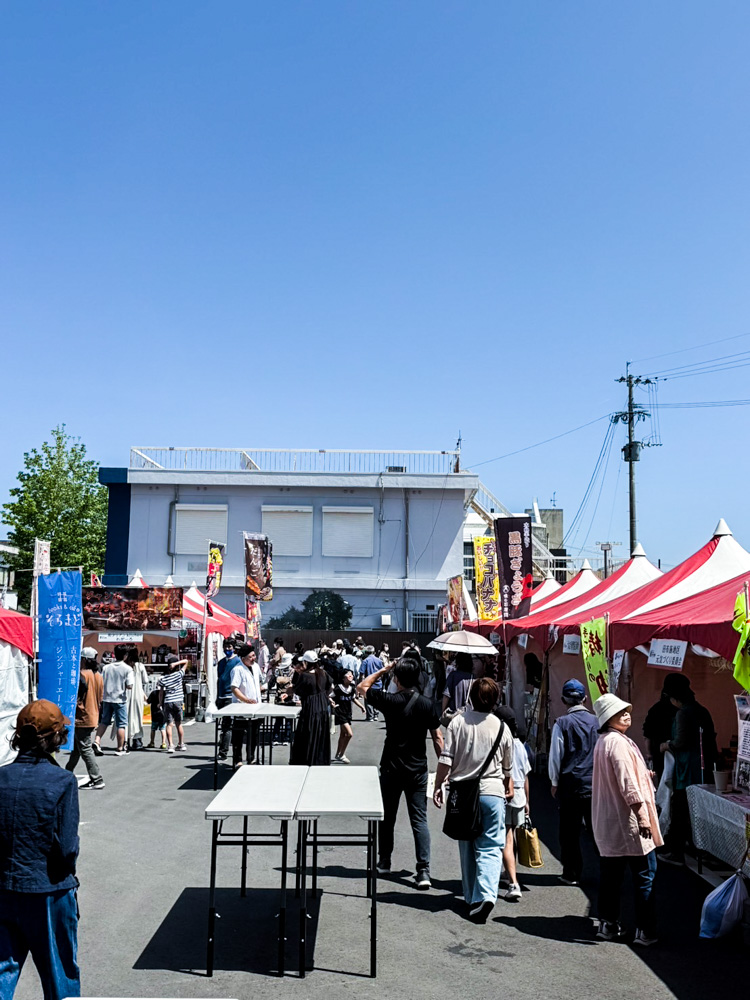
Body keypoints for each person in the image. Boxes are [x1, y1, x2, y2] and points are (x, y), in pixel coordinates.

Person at [0, 700, 81, 999]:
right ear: (56, 737)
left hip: (4, 887)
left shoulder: (1, 777)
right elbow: (68, 848)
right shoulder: (62, 781)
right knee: (59, 975)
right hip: (48, 890)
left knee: (2, 971)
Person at [358, 657, 443, 890]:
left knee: (388, 817)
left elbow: (361, 687)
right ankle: (423, 870)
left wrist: (382, 670)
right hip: (417, 769)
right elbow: (437, 738)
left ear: (396, 679)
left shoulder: (390, 700)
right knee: (419, 820)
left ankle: (384, 861)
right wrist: (446, 769)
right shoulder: (427, 704)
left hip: (391, 767)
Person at [433, 678, 513, 922]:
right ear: (495, 699)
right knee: (490, 846)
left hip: (463, 792)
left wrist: (438, 785)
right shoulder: (501, 726)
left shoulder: (459, 723)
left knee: (466, 843)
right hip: (492, 792)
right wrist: (508, 782)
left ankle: (472, 897)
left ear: (471, 697)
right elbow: (508, 766)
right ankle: (487, 894)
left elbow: (446, 759)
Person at [592, 693, 662, 946]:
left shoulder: (604, 741)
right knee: (645, 876)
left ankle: (608, 924)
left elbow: (623, 777)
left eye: (627, 710)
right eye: (621, 712)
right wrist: (643, 817)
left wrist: (644, 774)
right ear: (609, 718)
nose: (627, 714)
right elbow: (627, 784)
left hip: (610, 822)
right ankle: (646, 930)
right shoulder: (618, 743)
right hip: (629, 822)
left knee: (611, 878)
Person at [658, 673, 717, 865]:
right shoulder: (702, 710)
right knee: (701, 812)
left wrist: (666, 745)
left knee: (681, 809)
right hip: (704, 768)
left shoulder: (683, 713)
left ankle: (676, 852)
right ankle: (700, 850)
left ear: (674, 697)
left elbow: (680, 742)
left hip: (688, 769)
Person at [548, 678, 599, 886]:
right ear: (585, 699)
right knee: (598, 832)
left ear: (563, 700)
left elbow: (555, 756)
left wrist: (553, 781)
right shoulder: (598, 722)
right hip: (595, 783)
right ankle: (608, 871)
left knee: (569, 832)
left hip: (570, 784)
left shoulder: (562, 723)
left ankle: (572, 873)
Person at [495, 706, 531, 902]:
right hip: (519, 796)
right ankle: (509, 870)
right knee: (513, 837)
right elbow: (526, 775)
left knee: (506, 839)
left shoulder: (501, 741)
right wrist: (527, 801)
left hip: (504, 793)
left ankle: (513, 883)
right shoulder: (519, 744)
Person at [65, 647, 104, 789]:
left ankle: (97, 778)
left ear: (84, 660)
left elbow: (76, 697)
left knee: (85, 748)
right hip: (93, 714)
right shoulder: (98, 676)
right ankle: (66, 774)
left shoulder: (82, 675)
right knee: (76, 748)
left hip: (82, 716)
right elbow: (100, 697)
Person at [289, 650, 333, 766]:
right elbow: (330, 686)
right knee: (320, 735)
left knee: (306, 735)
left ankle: (306, 761)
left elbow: (297, 690)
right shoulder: (323, 672)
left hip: (310, 707)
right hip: (323, 706)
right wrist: (324, 696)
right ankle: (320, 761)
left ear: (306, 662)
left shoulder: (305, 676)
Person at [93, 643, 134, 756]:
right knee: (121, 724)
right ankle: (120, 748)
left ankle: (97, 741)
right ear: (125, 655)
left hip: (107, 698)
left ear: (115, 655)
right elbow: (130, 685)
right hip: (120, 699)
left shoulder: (106, 667)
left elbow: (101, 682)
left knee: (104, 721)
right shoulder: (128, 669)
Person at [230, 645, 264, 769]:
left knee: (253, 735)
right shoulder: (237, 669)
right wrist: (246, 700)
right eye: (250, 657)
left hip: (255, 708)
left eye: (254, 655)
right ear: (243, 658)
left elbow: (259, 682)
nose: (253, 659)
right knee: (238, 735)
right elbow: (234, 688)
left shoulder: (255, 667)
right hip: (241, 708)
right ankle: (237, 760)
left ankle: (251, 758)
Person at [332, 668, 365, 763]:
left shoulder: (352, 688)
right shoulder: (338, 688)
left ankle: (338, 754)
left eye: (352, 675)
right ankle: (342, 754)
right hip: (340, 713)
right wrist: (332, 703)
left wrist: (362, 706)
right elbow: (329, 696)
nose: (351, 676)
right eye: (348, 675)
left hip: (348, 713)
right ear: (343, 678)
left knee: (343, 735)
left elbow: (353, 699)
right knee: (349, 734)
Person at [158, 655, 189, 753]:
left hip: (168, 701)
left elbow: (161, 692)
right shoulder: (179, 674)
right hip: (178, 701)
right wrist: (177, 663)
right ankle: (181, 743)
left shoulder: (163, 679)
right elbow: (186, 661)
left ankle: (170, 745)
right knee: (179, 724)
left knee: (169, 724)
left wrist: (160, 703)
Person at [216, 640, 241, 761]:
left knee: (227, 725)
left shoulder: (238, 662)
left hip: (230, 697)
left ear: (233, 648)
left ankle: (223, 751)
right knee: (223, 725)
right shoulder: (221, 662)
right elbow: (219, 679)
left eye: (229, 647)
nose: (227, 649)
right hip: (221, 696)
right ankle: (223, 748)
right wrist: (216, 696)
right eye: (225, 647)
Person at [125, 646, 148, 750]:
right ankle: (137, 741)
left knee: (126, 717)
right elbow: (146, 680)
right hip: (138, 693)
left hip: (126, 693)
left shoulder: (124, 666)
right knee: (137, 717)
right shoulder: (140, 666)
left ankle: (125, 741)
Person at [441, 652, 474, 719]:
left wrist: (443, 712)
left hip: (454, 715)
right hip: (468, 716)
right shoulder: (473, 677)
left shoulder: (453, 675)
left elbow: (446, 696)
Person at [360, 646, 384, 720]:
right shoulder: (379, 660)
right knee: (377, 699)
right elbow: (383, 672)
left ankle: (370, 716)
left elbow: (362, 674)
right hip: (378, 683)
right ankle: (376, 714)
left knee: (368, 700)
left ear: (366, 653)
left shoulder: (365, 661)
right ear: (374, 652)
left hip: (368, 683)